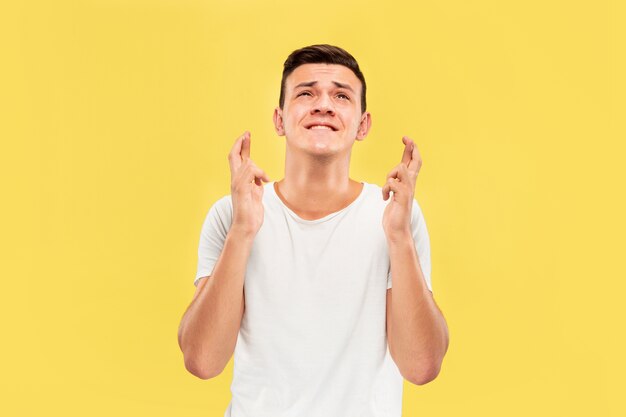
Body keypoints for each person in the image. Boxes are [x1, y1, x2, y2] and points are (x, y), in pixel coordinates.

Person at [178, 44, 449, 416]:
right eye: (306, 93)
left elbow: (421, 366)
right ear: (279, 119)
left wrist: (400, 238)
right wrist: (243, 230)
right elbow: (202, 360)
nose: (323, 105)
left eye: (341, 95)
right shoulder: (233, 214)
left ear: (363, 124)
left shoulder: (395, 217)